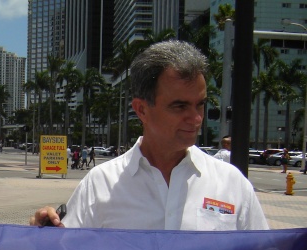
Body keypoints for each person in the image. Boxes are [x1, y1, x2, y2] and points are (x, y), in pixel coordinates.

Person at [30, 40, 268, 231]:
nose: (195, 118)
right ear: (142, 110)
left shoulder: (232, 184)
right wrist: (43, 231)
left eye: (200, 105)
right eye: (180, 106)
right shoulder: (101, 184)